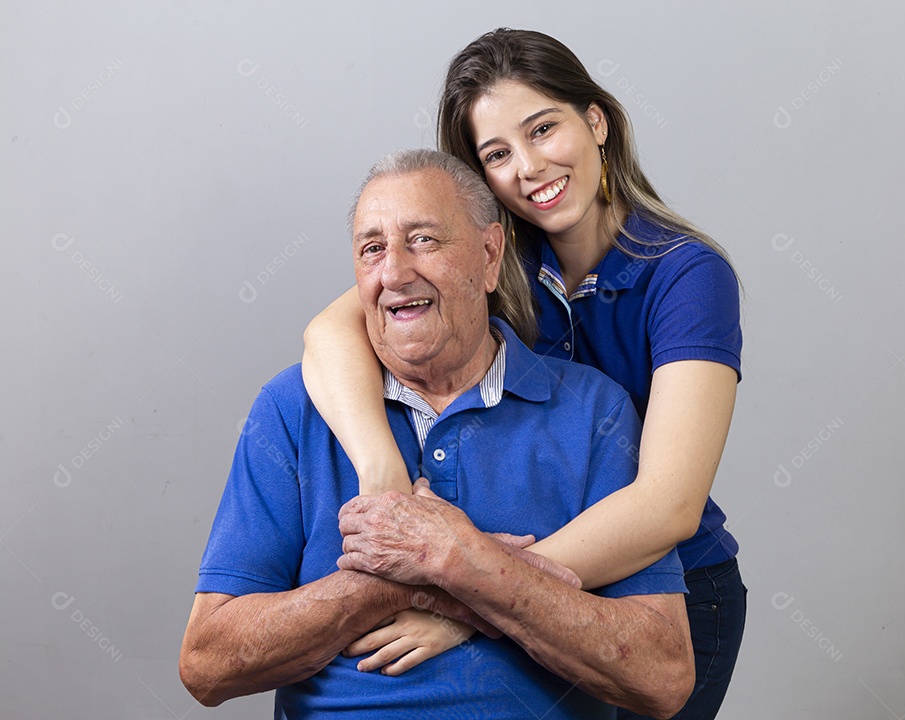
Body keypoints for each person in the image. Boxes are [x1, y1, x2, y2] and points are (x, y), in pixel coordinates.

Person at [303, 29, 746, 719]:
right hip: (527, 582)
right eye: (497, 154)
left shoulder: (686, 275)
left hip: (671, 591)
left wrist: (472, 597)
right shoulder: (493, 258)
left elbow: (669, 504)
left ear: (595, 121)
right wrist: (383, 479)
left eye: (544, 129)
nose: (530, 167)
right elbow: (330, 332)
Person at [179, 149, 695, 719]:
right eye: (372, 249)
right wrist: (396, 580)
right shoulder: (293, 407)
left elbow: (662, 676)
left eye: (423, 240)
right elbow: (208, 665)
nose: (394, 273)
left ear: (490, 255)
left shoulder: (593, 410)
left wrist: (462, 559)